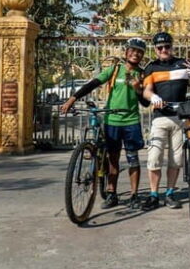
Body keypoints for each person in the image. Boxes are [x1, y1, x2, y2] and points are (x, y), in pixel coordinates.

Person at [60, 38, 147, 210]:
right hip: (112, 121)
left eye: (139, 52)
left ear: (142, 56)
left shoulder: (143, 74)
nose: (135, 54)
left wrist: (138, 89)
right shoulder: (115, 70)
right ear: (126, 52)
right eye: (132, 50)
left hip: (131, 121)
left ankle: (134, 195)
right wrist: (72, 99)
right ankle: (112, 193)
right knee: (112, 159)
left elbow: (145, 104)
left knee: (133, 159)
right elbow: (92, 84)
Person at [141, 31, 190, 211]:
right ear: (155, 50)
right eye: (160, 47)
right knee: (154, 157)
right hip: (160, 117)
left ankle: (170, 193)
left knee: (176, 159)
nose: (164, 50)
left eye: (167, 46)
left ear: (172, 47)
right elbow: (146, 91)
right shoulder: (151, 67)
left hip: (180, 117)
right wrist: (153, 96)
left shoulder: (184, 64)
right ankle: (154, 194)